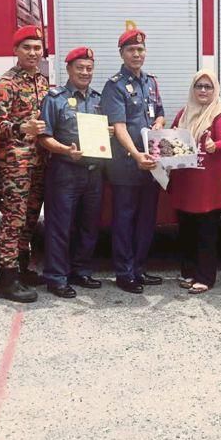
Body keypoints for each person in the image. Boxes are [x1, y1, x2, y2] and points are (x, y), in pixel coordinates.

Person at [38, 47, 105, 298]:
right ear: (69, 69)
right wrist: (66, 150)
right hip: (65, 171)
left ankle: (81, 270)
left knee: (89, 226)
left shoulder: (98, 99)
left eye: (89, 68)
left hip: (93, 172)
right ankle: (56, 276)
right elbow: (44, 137)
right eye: (80, 67)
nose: (85, 72)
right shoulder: (55, 98)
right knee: (60, 226)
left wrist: (106, 134)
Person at [101, 29, 165, 294]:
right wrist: (137, 154)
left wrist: (158, 128)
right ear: (122, 54)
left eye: (140, 50)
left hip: (151, 163)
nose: (137, 54)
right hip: (127, 165)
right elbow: (119, 127)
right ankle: (124, 273)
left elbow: (159, 114)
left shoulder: (150, 82)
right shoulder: (114, 85)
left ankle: (139, 268)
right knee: (125, 219)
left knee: (146, 220)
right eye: (131, 50)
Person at [0, 25, 49, 303]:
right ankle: (7, 277)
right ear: (15, 50)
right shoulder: (5, 84)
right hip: (16, 163)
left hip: (39, 160)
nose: (33, 53)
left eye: (37, 48)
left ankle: (22, 269)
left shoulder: (42, 82)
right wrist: (21, 127)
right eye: (27, 47)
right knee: (12, 220)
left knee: (29, 218)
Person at [168, 70, 221, 294]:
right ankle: (188, 272)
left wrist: (216, 146)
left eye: (208, 87)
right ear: (193, 89)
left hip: (207, 186)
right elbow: (172, 138)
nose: (203, 91)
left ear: (215, 90)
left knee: (206, 233)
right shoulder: (184, 113)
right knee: (186, 230)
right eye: (199, 86)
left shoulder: (220, 114)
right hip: (185, 182)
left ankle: (205, 277)